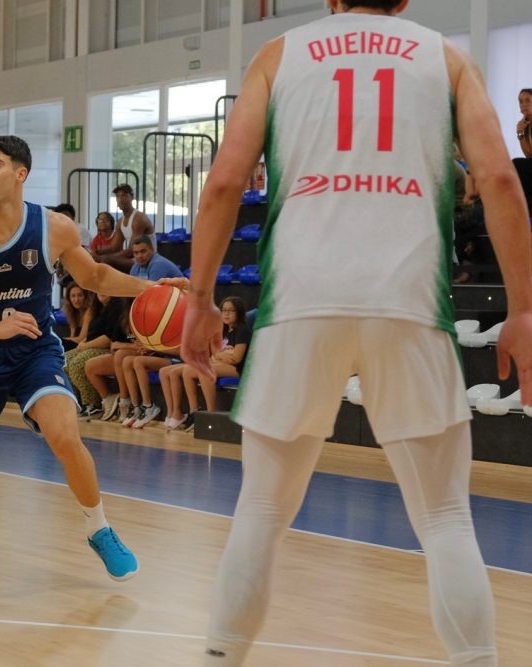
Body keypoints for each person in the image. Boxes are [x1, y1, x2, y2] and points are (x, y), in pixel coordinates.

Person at [181, 2, 532, 664]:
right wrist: (523, 309)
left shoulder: (278, 56)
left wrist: (199, 296)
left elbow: (225, 180)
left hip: (298, 302)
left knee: (260, 512)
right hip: (408, 300)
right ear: (403, 1)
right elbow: (499, 180)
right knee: (446, 519)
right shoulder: (446, 58)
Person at [0, 135, 185, 581]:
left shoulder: (53, 227)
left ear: (20, 174)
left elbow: (94, 275)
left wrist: (153, 289)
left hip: (33, 353)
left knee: (64, 435)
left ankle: (99, 529)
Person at [63, 293, 131, 417]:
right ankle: (79, 402)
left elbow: (108, 339)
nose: (101, 291)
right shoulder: (96, 308)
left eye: (105, 288)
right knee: (64, 360)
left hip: (105, 348)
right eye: (98, 289)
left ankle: (94, 404)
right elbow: (88, 335)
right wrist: (83, 343)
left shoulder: (117, 306)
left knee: (77, 362)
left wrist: (85, 346)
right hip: (91, 346)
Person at [97, 184, 155, 272]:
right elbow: (114, 248)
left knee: (106, 261)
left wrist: (103, 257)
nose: (120, 199)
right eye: (118, 196)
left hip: (147, 261)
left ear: (132, 197)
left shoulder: (139, 219)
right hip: (136, 260)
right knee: (93, 259)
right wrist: (95, 252)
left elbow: (132, 251)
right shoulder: (120, 221)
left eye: (124, 195)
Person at [59, 282, 98, 350]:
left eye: (80, 295)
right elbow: (73, 336)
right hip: (77, 344)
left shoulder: (89, 311)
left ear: (85, 296)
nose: (76, 299)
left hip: (88, 345)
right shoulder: (72, 313)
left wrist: (62, 340)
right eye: (73, 296)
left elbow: (81, 338)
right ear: (69, 298)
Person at [517, 88, 532, 160]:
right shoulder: (521, 125)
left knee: (516, 163)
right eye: (521, 102)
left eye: (528, 100)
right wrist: (520, 132)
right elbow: (528, 156)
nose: (524, 104)